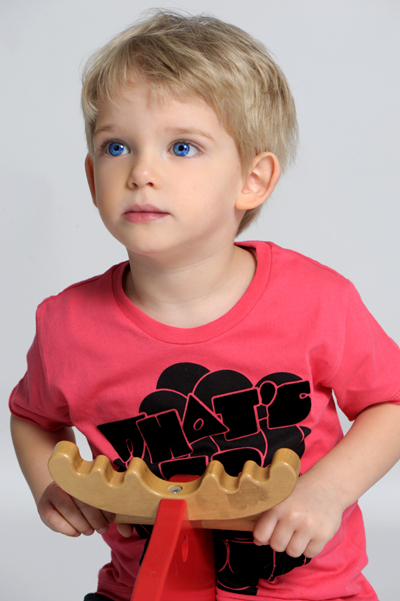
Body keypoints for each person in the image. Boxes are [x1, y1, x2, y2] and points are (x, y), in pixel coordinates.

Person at [9, 10, 400, 601]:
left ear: (252, 179)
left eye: (182, 147)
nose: (141, 172)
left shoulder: (317, 301)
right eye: (117, 146)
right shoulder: (66, 325)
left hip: (310, 593)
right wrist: (50, 484)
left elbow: (390, 402)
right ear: (92, 178)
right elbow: (32, 417)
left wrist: (329, 489)